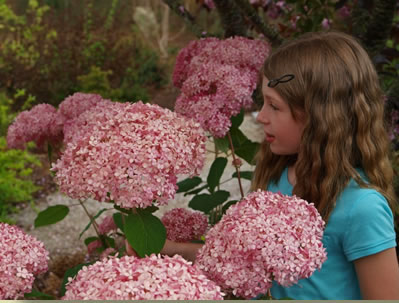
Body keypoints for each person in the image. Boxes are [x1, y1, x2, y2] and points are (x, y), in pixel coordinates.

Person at [126, 31, 399, 300]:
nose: (261, 117)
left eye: (274, 106)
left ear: (320, 117)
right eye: (262, 103)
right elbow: (239, 266)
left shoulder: (362, 208)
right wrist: (170, 249)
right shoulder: (278, 178)